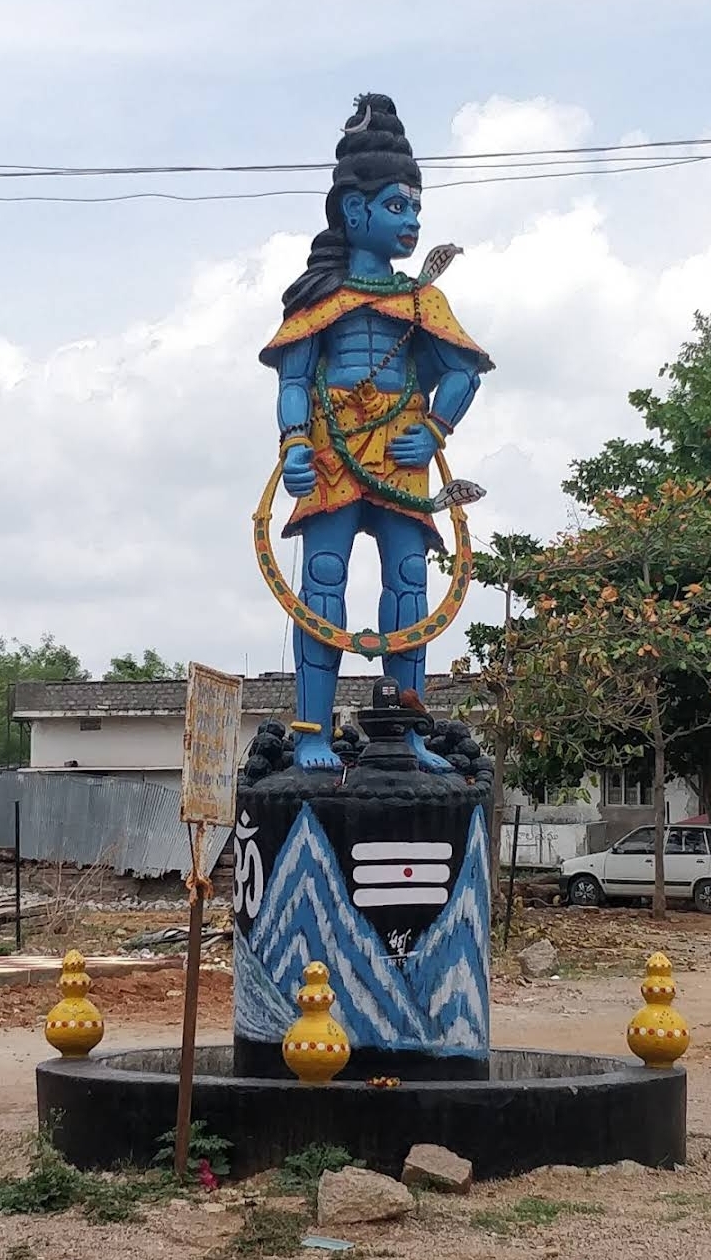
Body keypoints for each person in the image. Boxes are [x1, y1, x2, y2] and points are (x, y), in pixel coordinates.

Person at [260, 93, 493, 771]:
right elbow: (293, 381)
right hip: (332, 453)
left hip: (400, 450)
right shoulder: (319, 298)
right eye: (397, 206)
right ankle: (310, 732)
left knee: (407, 587)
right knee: (323, 580)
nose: (411, 222)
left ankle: (408, 734)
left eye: (416, 208)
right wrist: (294, 443)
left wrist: (436, 429)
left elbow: (462, 373)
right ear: (353, 211)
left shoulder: (424, 299)